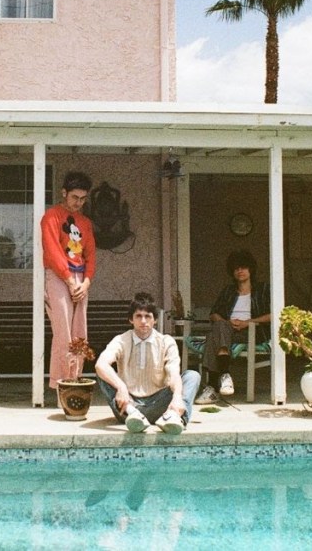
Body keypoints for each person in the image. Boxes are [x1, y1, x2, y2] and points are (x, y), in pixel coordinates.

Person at [95, 291, 200, 434]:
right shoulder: (121, 340)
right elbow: (101, 364)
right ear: (131, 319)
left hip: (159, 404)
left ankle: (174, 417)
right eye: (138, 316)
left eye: (148, 316)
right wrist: (121, 387)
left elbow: (173, 374)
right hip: (127, 406)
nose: (143, 321)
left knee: (192, 376)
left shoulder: (166, 342)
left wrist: (177, 397)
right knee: (102, 373)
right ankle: (135, 416)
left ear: (154, 320)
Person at [41, 170, 96, 389]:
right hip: (58, 275)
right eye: (75, 197)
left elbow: (90, 254)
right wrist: (70, 281)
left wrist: (86, 282)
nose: (78, 203)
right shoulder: (51, 216)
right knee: (63, 332)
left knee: (80, 332)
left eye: (83, 198)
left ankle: (76, 381)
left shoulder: (85, 222)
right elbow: (52, 251)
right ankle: (61, 385)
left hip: (80, 277)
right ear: (64, 193)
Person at [194, 249, 271, 405]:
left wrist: (248, 322)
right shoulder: (229, 291)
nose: (240, 271)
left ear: (251, 269)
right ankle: (225, 375)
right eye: (236, 268)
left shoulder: (263, 289)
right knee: (219, 328)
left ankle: (212, 386)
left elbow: (273, 314)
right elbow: (214, 314)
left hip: (252, 331)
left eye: (243, 267)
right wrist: (227, 323)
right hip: (228, 329)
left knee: (213, 335)